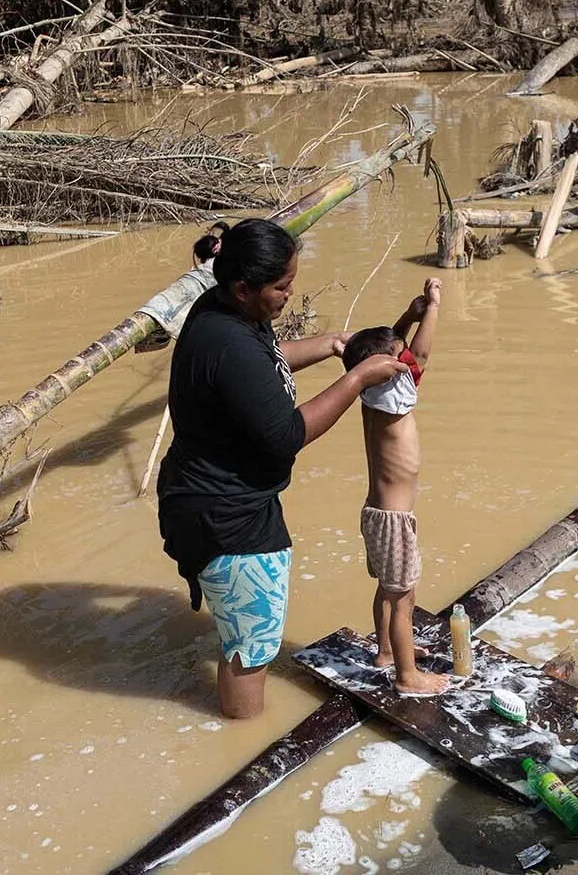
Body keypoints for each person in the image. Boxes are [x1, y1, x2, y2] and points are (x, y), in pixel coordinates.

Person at [157, 218, 406, 719]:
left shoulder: (227, 311)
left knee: (244, 633)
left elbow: (265, 360)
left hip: (211, 494)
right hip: (226, 512)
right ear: (244, 286)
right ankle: (239, 738)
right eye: (281, 287)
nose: (289, 295)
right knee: (253, 649)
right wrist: (356, 378)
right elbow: (288, 435)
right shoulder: (225, 342)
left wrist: (332, 345)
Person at [341, 278, 450, 696]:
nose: (403, 358)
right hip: (393, 519)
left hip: (379, 513)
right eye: (396, 357)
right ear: (388, 368)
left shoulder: (375, 390)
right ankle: (408, 677)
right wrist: (435, 307)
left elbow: (393, 347)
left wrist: (408, 315)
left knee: (389, 590)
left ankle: (386, 651)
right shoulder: (392, 389)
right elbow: (419, 353)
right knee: (403, 599)